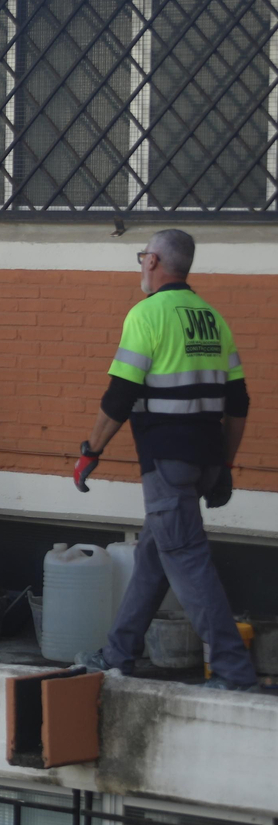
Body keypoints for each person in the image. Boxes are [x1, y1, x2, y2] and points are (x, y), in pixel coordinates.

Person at [72, 229, 259, 690]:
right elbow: (238, 403)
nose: (141, 266)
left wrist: (91, 450)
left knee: (189, 562)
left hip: (166, 462)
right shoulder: (213, 319)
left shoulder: (147, 314)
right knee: (156, 556)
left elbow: (121, 394)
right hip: (205, 460)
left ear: (154, 261)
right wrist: (226, 465)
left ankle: (235, 675)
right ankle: (118, 653)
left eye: (142, 258)